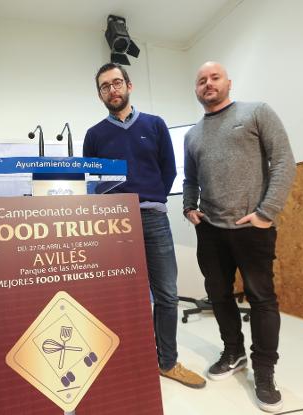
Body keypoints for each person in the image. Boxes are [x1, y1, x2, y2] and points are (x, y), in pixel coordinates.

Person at [83, 63, 206, 389]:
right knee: (116, 296)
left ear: (129, 85)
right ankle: (123, 361)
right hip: (112, 223)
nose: (112, 89)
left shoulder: (155, 125)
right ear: (100, 94)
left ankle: (167, 361)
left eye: (117, 82)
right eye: (105, 86)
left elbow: (168, 171)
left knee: (166, 294)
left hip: (152, 218)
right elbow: (93, 184)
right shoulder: (94, 135)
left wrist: (150, 198)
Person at [183, 61, 296, 412]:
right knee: (218, 295)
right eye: (201, 80)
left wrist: (267, 212)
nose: (208, 84)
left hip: (252, 227)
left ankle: (264, 370)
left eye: (214, 77)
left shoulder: (256, 112)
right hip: (211, 230)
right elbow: (190, 179)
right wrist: (189, 207)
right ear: (197, 89)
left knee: (261, 299)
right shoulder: (192, 135)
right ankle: (233, 353)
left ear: (228, 82)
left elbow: (284, 162)